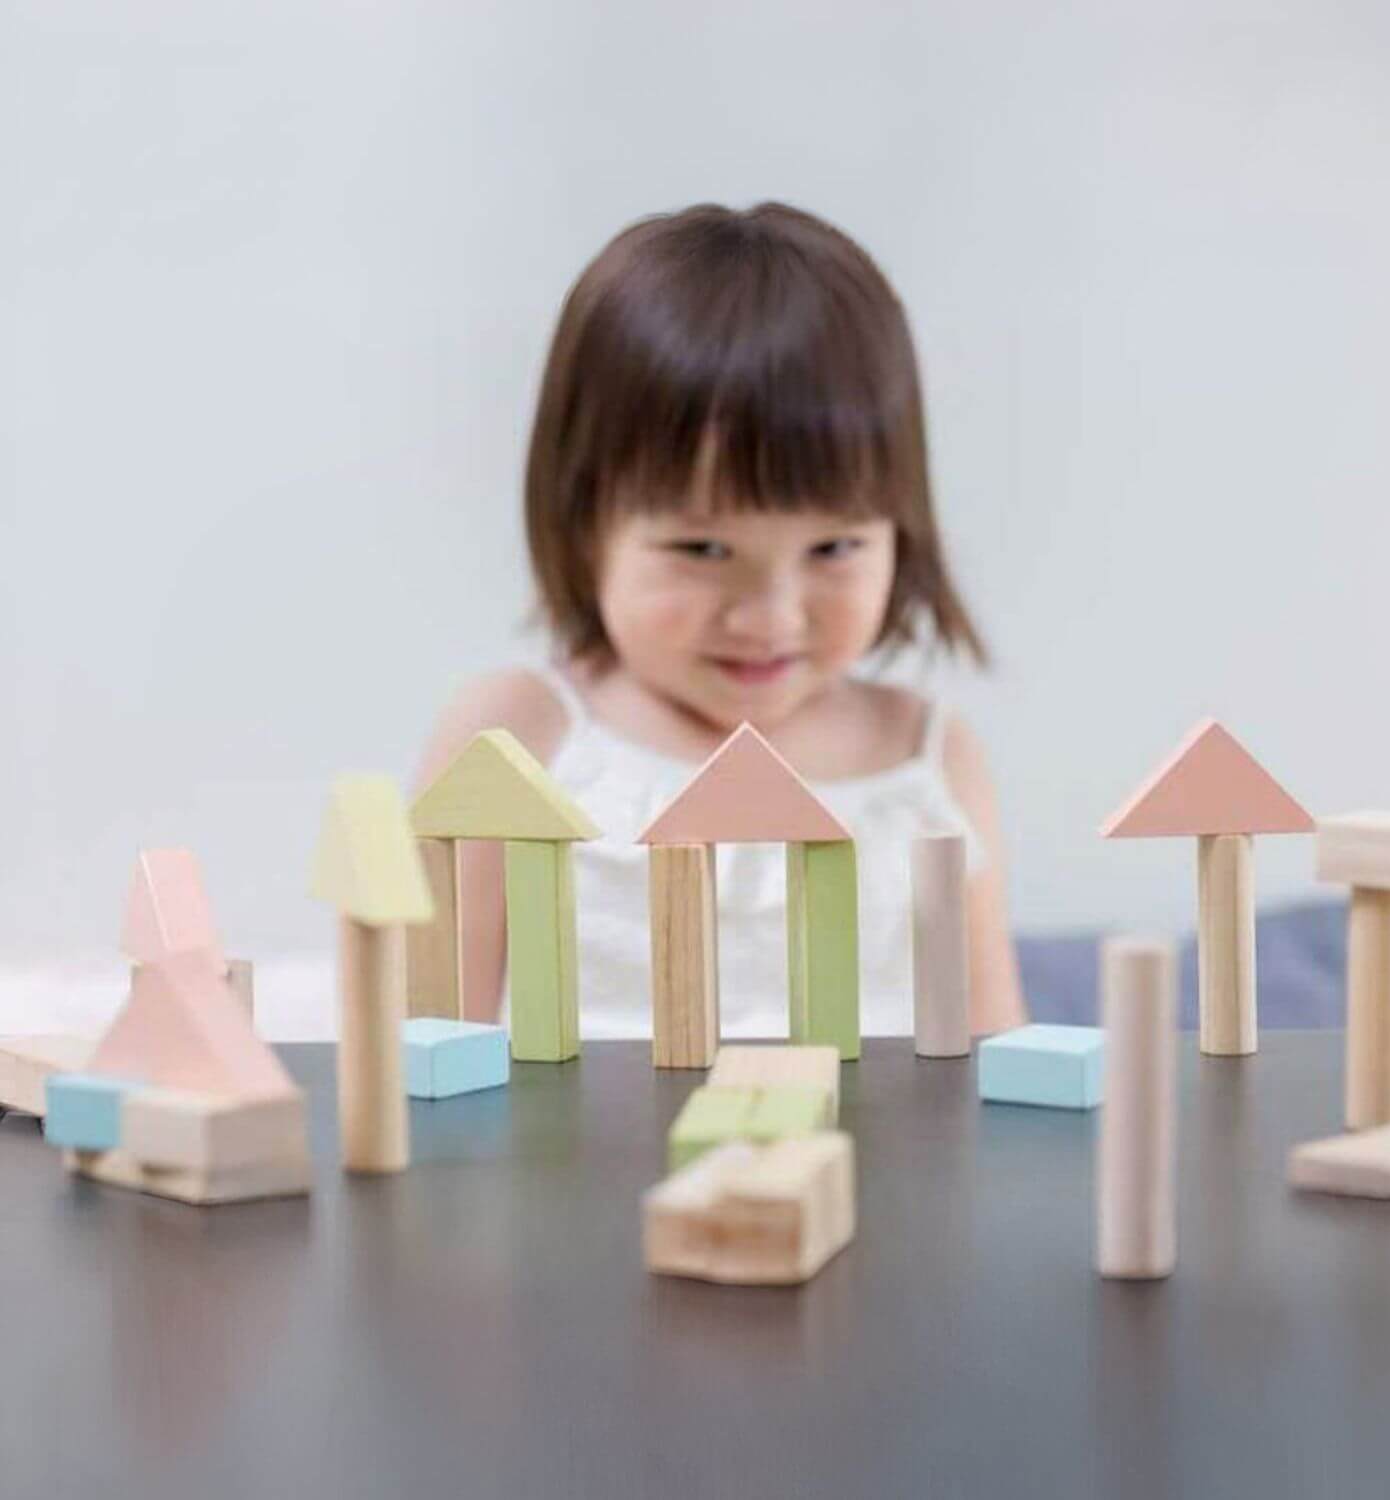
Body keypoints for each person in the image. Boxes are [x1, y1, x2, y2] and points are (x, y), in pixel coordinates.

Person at [415, 201, 1026, 1039]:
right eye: (703, 549)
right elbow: (426, 1045)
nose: (769, 616)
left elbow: (999, 1053)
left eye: (834, 548)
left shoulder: (927, 758)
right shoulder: (516, 739)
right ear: (584, 520)